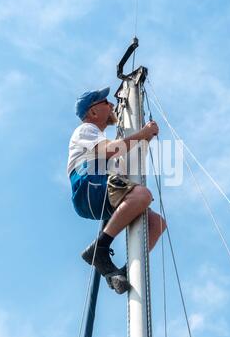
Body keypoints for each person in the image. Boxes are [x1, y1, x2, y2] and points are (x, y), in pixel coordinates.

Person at [67, 87, 166, 294]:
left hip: (103, 190)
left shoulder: (101, 138)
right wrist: (143, 133)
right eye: (105, 103)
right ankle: (99, 249)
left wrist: (145, 138)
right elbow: (111, 150)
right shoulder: (85, 130)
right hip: (89, 186)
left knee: (156, 224)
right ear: (93, 112)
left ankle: (125, 271)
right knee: (142, 195)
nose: (111, 105)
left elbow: (126, 164)